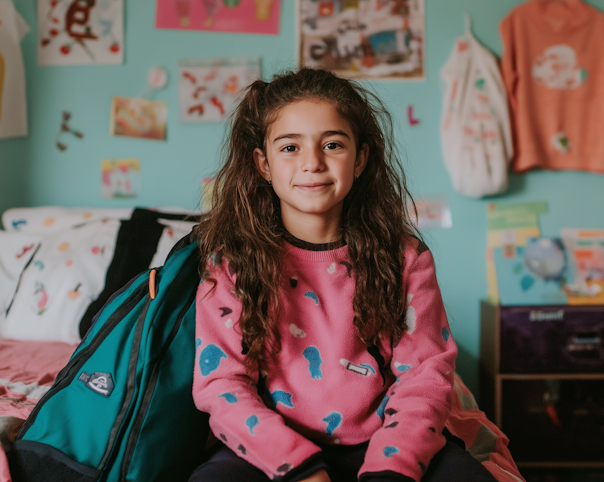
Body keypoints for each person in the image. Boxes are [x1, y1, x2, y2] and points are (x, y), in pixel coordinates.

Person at [190, 68, 496, 482]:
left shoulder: (405, 257)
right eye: (290, 147)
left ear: (361, 159)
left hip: (386, 440)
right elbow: (221, 384)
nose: (312, 163)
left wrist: (392, 469)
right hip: (269, 448)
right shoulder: (231, 263)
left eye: (332, 144)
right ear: (263, 164)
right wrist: (300, 468)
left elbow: (425, 377)